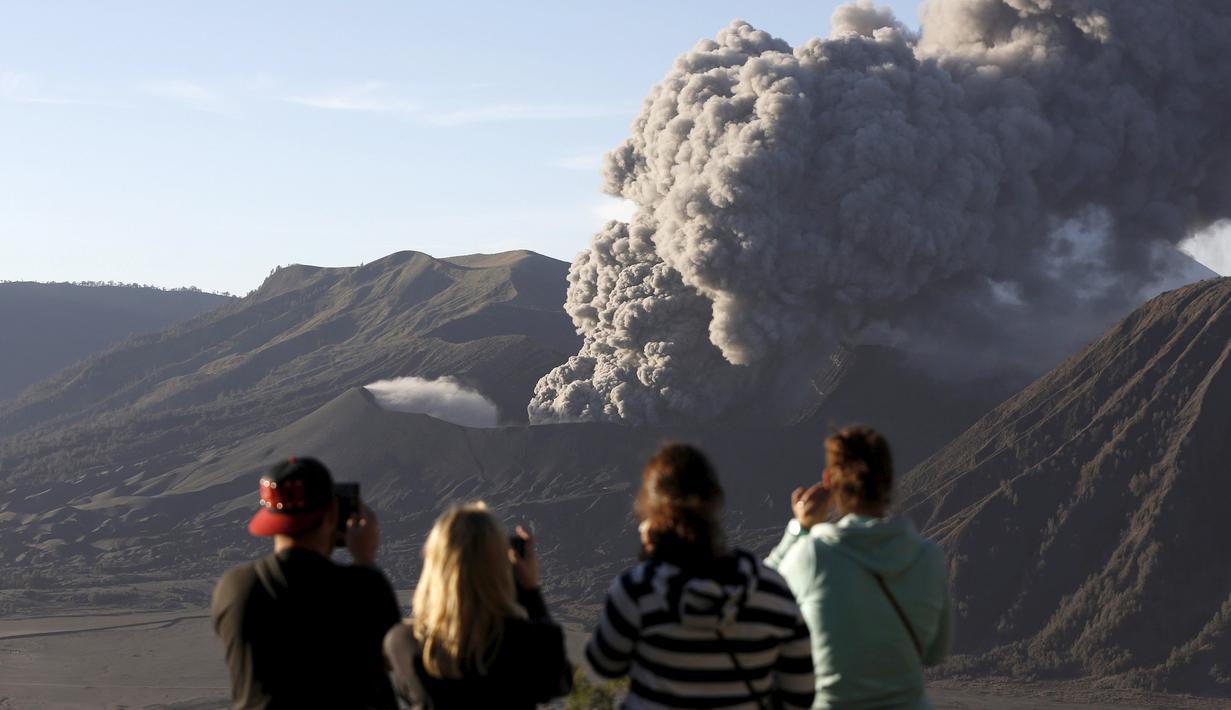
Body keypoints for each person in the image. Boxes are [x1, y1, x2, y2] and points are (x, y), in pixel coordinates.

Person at [586, 443, 816, 709]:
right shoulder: (771, 591)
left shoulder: (637, 591)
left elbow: (604, 664)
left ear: (648, 510)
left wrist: (651, 561)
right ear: (716, 501)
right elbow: (800, 695)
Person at [765, 426, 952, 709]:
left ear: (829, 481)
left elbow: (760, 591)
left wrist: (800, 528)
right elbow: (936, 652)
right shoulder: (929, 557)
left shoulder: (813, 556)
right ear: (889, 482)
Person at [211, 457, 401, 710]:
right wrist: (365, 561)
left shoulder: (234, 587)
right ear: (332, 513)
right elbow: (391, 659)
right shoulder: (362, 589)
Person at [383, 502, 572, 709]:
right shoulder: (531, 643)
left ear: (435, 564)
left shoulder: (404, 643)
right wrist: (531, 590)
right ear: (499, 566)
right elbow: (561, 683)